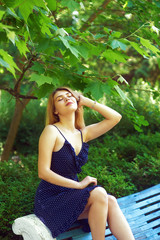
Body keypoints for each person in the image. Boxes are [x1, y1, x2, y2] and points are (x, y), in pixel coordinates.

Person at [34, 86, 135, 240]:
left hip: (70, 197)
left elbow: (115, 117)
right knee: (100, 193)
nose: (67, 98)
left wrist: (87, 102)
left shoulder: (83, 134)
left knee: (110, 200)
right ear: (55, 111)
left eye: (70, 96)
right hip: (51, 201)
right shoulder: (51, 131)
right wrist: (79, 185)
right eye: (60, 99)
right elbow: (43, 172)